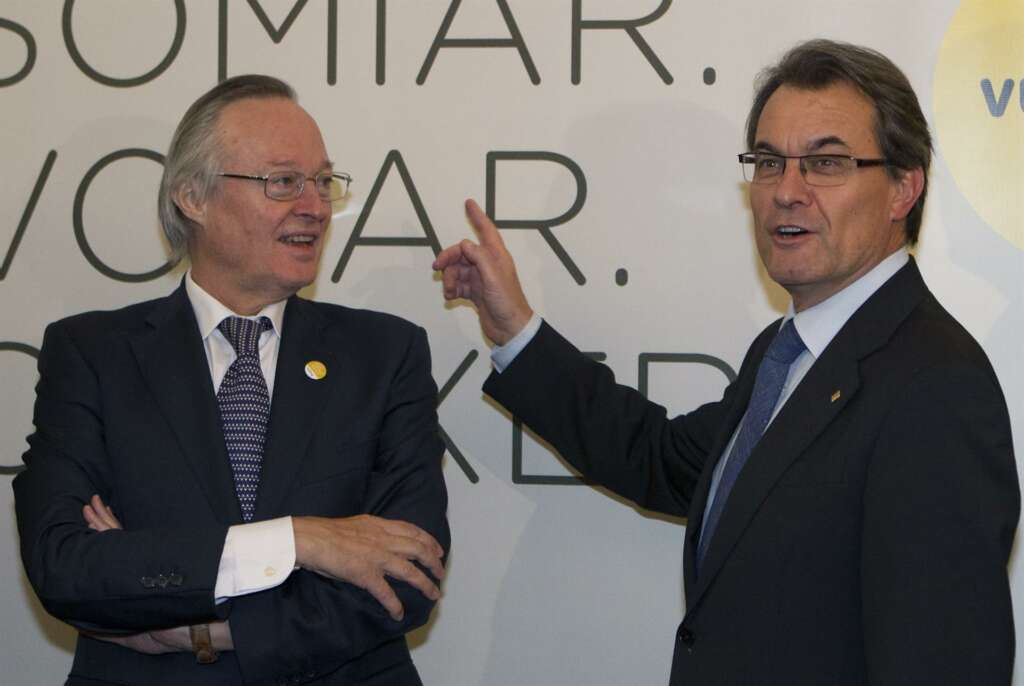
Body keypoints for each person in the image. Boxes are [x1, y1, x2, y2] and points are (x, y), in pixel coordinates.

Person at [434, 39, 1018, 684]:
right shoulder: (785, 352)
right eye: (769, 162)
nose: (786, 192)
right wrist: (514, 326)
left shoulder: (935, 385)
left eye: (825, 163)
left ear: (903, 188)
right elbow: (661, 458)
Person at [14, 74, 449, 686]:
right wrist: (297, 542)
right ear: (193, 196)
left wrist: (203, 632)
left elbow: (410, 574)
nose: (316, 207)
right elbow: (67, 566)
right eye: (283, 182)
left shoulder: (385, 354)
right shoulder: (91, 355)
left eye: (322, 182)